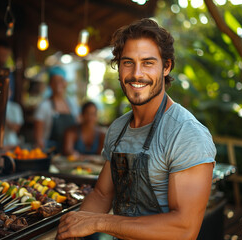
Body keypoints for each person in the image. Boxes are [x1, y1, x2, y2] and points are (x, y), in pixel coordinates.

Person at [57, 18, 216, 240]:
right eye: (128, 62)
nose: (136, 74)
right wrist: (73, 228)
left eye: (148, 63)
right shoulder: (118, 128)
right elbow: (102, 194)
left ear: (166, 66)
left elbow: (184, 228)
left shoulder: (186, 134)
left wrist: (98, 222)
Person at [34, 66, 79, 153]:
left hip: (69, 153)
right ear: (50, 84)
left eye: (61, 80)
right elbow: (38, 138)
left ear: (65, 83)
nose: (58, 84)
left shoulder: (72, 105)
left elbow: (78, 128)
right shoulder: (44, 106)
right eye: (55, 81)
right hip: (50, 152)